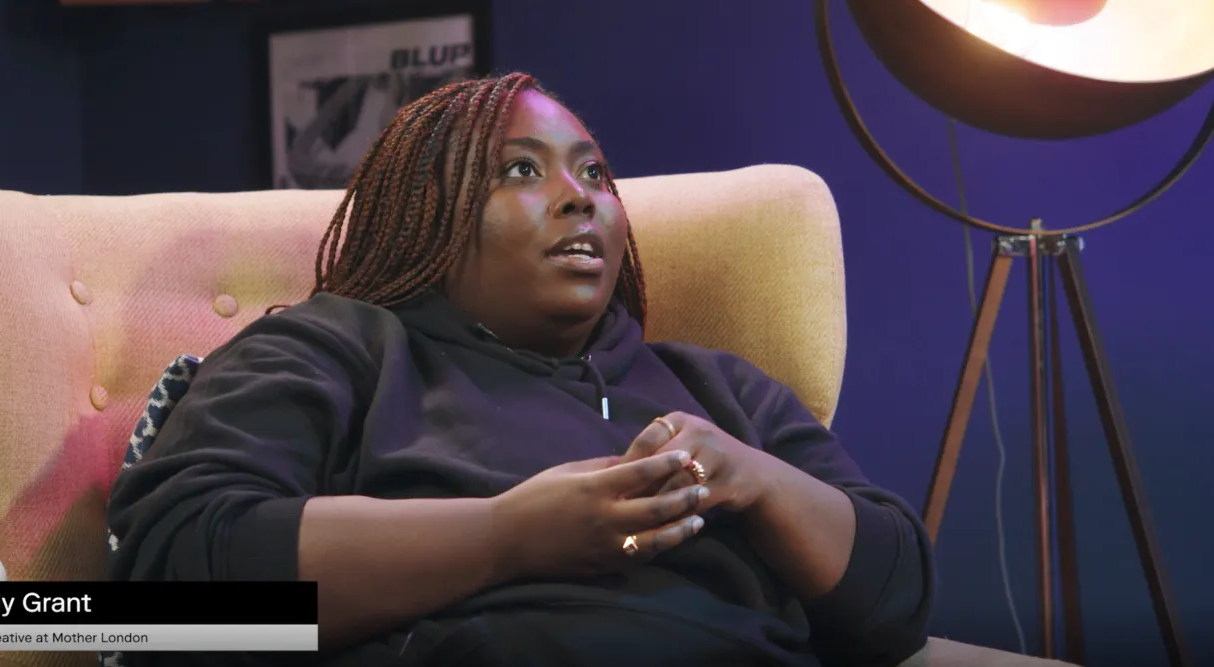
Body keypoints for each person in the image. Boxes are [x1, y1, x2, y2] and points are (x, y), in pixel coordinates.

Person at [106, 71, 935, 667]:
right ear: (427, 211)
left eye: (594, 172)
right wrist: (505, 537)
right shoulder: (334, 349)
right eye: (520, 169)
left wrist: (756, 479)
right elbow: (177, 580)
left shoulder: (719, 389)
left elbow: (893, 606)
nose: (579, 197)